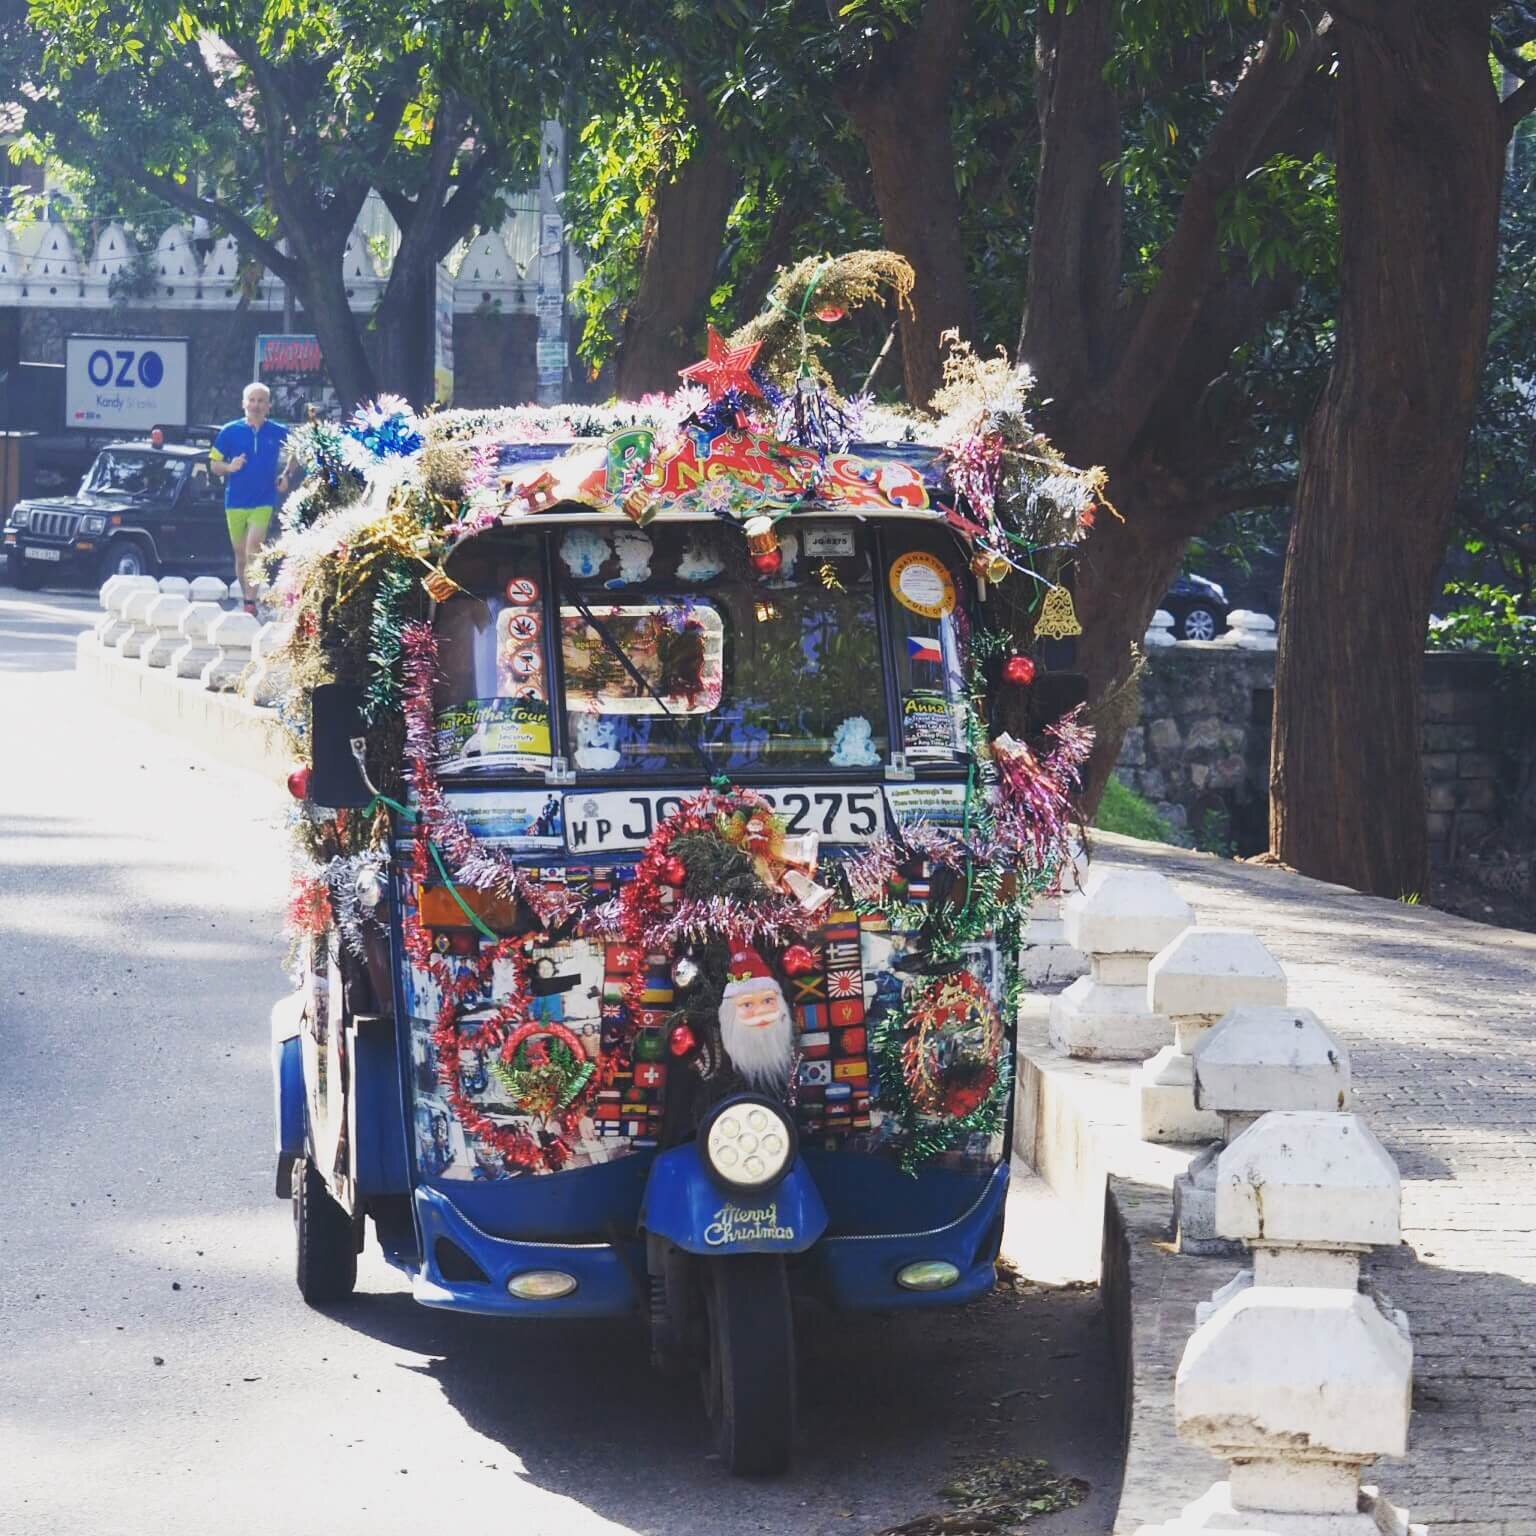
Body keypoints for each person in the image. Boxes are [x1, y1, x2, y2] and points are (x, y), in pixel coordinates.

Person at [209, 382, 293, 612]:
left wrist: (286, 474)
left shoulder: (277, 431)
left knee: (253, 548)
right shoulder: (229, 431)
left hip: (264, 500)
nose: (256, 405)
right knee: (240, 555)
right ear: (244, 404)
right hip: (235, 501)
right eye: (252, 400)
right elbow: (214, 465)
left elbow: (298, 450)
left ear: (268, 406)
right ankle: (247, 593)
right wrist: (230, 466)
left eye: (261, 401)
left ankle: (249, 602)